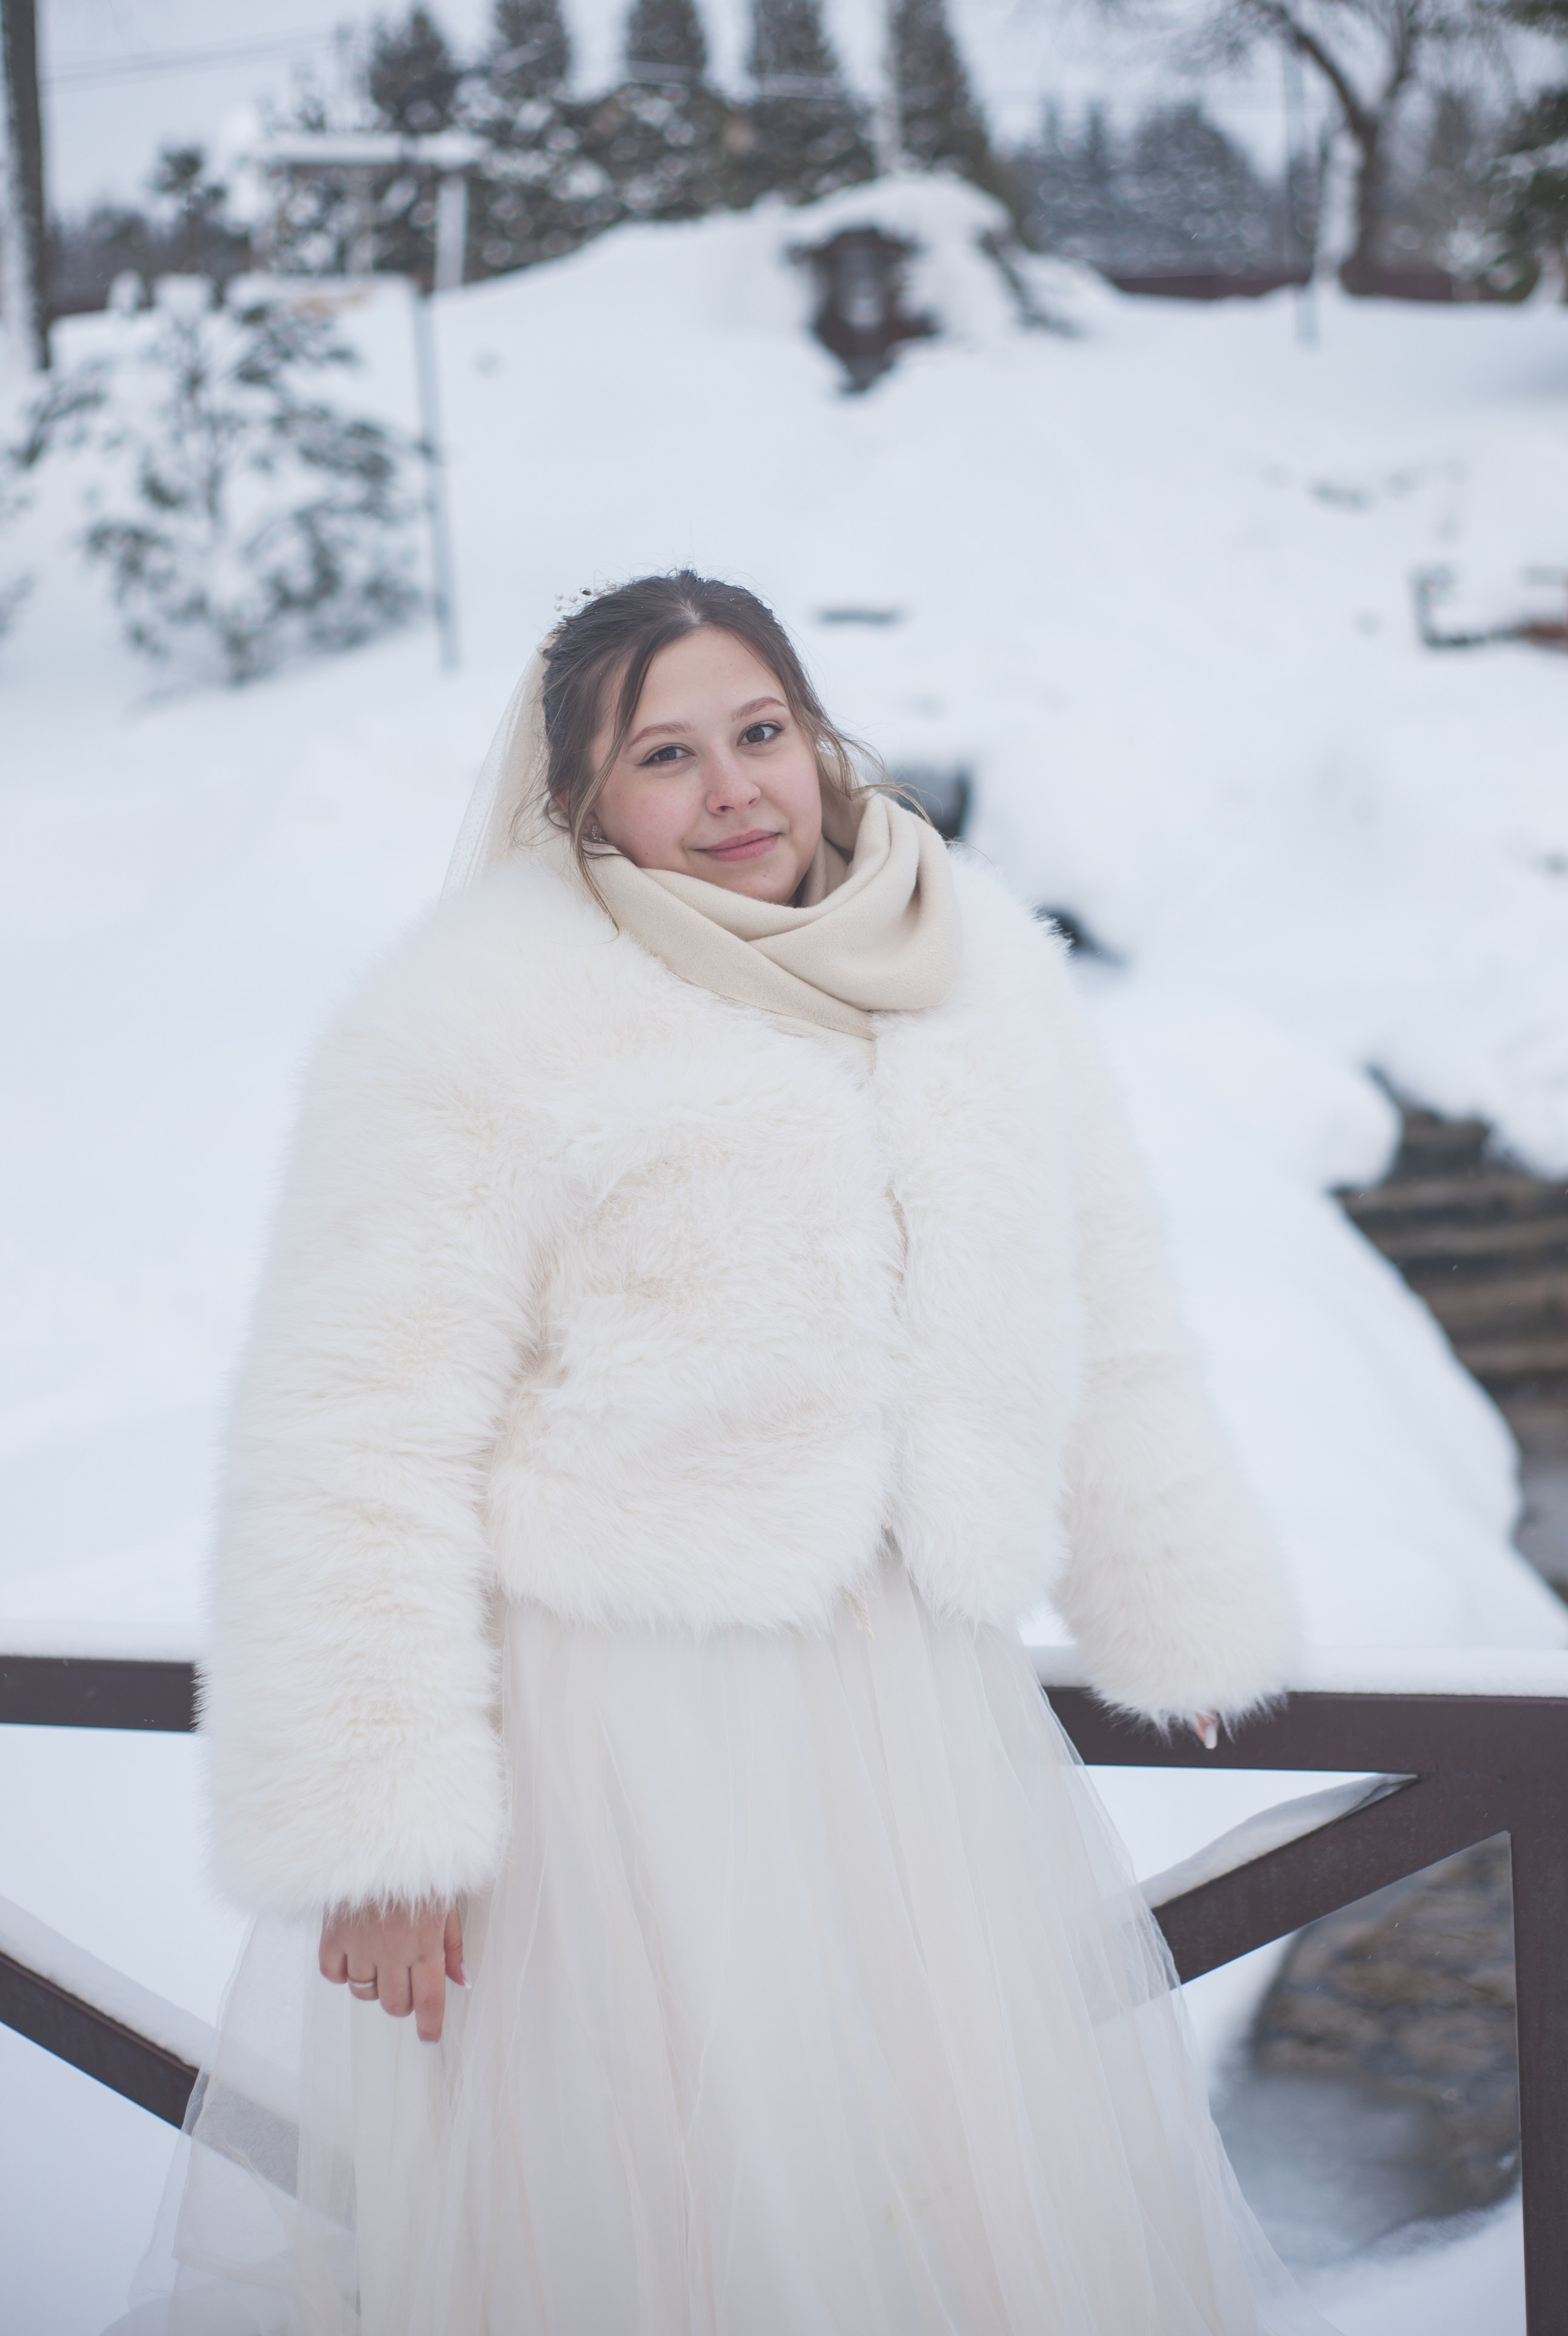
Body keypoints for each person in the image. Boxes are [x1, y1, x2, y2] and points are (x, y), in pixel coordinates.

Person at [120, 571, 1329, 2335]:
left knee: (931, 2199)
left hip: (911, 1712)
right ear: (580, 801)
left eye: (760, 733)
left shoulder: (976, 966)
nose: (736, 792)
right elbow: (351, 1424)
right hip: (620, 1741)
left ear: (817, 731)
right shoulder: (477, 1018)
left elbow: (1105, 1305)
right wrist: (375, 1825)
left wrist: (1173, 1601)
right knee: (668, 2216)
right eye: (664, 757)